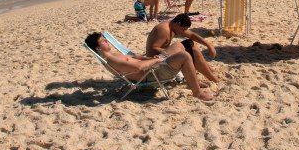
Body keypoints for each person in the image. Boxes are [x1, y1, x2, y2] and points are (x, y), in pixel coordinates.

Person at [85, 32, 213, 101]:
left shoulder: (115, 54)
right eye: (103, 41)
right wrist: (157, 60)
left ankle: (192, 81)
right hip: (151, 75)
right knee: (184, 56)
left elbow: (137, 58)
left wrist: (151, 58)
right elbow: (138, 68)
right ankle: (197, 93)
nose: (107, 41)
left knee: (179, 45)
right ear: (98, 48)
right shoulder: (112, 60)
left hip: (153, 67)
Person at [146, 13, 219, 85]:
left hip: (163, 57)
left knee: (191, 44)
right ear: (178, 24)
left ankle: (209, 72)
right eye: (183, 29)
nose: (183, 32)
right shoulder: (164, 30)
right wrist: (176, 52)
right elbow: (154, 48)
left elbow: (191, 35)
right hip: (156, 63)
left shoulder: (172, 26)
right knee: (190, 51)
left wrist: (209, 45)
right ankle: (210, 77)